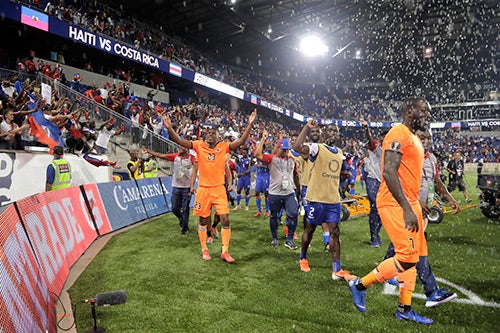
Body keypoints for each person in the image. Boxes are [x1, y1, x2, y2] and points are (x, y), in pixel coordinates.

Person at [348, 97, 433, 324]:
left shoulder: (414, 138)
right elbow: (388, 172)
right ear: (409, 110)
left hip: (409, 202)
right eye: (424, 110)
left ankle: (404, 309)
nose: (428, 115)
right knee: (405, 257)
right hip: (395, 202)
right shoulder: (398, 133)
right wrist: (406, 207)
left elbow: (409, 175)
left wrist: (416, 205)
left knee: (413, 258)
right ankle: (359, 285)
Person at [162, 109, 257, 262]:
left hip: (219, 189)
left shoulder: (224, 146)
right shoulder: (199, 146)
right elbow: (180, 142)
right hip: (204, 190)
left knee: (225, 219)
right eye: (207, 133)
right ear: (204, 136)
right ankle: (204, 249)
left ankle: (224, 251)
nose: (210, 134)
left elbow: (240, 142)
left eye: (213, 132)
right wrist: (169, 128)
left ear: (217, 135)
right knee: (203, 220)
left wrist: (250, 124)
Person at [384, 129, 460, 308]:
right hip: (407, 207)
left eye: (429, 138)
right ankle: (430, 290)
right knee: (413, 248)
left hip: (420, 209)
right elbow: (397, 180)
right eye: (422, 137)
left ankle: (389, 271)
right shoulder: (409, 154)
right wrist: (415, 202)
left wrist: (450, 199)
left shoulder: (432, 159)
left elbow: (436, 180)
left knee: (409, 246)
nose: (426, 140)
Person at [292, 120, 354, 280]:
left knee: (335, 231)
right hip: (316, 198)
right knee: (310, 229)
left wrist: (342, 175)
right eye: (330, 131)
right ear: (324, 133)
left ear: (339, 135)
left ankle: (336, 270)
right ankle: (303, 258)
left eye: (336, 131)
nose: (333, 133)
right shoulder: (316, 148)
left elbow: (332, 172)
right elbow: (297, 148)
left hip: (333, 199)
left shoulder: (340, 153)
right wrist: (306, 127)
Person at [255, 132, 300, 249]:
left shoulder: (292, 160)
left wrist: (298, 189)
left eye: (287, 150)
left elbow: (295, 176)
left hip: (289, 192)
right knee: (274, 216)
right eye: (283, 149)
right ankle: (274, 237)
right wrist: (263, 139)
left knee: (293, 214)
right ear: (278, 148)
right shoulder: (272, 159)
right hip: (275, 193)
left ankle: (289, 239)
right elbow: (257, 154)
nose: (285, 152)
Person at [142, 146, 197, 234]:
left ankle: (185, 228)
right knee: (174, 208)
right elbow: (161, 155)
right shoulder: (176, 157)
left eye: (182, 147)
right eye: (179, 147)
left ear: (187, 149)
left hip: (187, 187)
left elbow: (196, 169)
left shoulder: (191, 158)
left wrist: (192, 186)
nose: (180, 148)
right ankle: (181, 218)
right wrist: (149, 151)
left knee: (185, 208)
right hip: (176, 186)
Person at [360, 120, 387, 247]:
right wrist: (366, 128)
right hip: (372, 179)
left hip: (384, 182)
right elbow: (370, 140)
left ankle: (376, 234)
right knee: (375, 205)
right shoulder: (376, 146)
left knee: (382, 209)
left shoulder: (391, 151)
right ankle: (374, 237)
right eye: (384, 137)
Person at [233, 146, 253, 211]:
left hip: (246, 177)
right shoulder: (240, 158)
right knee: (238, 190)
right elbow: (233, 154)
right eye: (242, 153)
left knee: (247, 191)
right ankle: (238, 205)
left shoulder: (250, 159)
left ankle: (246, 206)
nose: (243, 154)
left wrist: (241, 174)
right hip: (241, 178)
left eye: (244, 153)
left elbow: (249, 169)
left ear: (247, 153)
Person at [253, 144, 270, 217]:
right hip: (259, 176)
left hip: (266, 176)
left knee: (266, 194)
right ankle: (259, 211)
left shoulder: (267, 155)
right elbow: (252, 163)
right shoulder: (256, 155)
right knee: (257, 193)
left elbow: (270, 166)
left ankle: (267, 211)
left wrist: (262, 166)